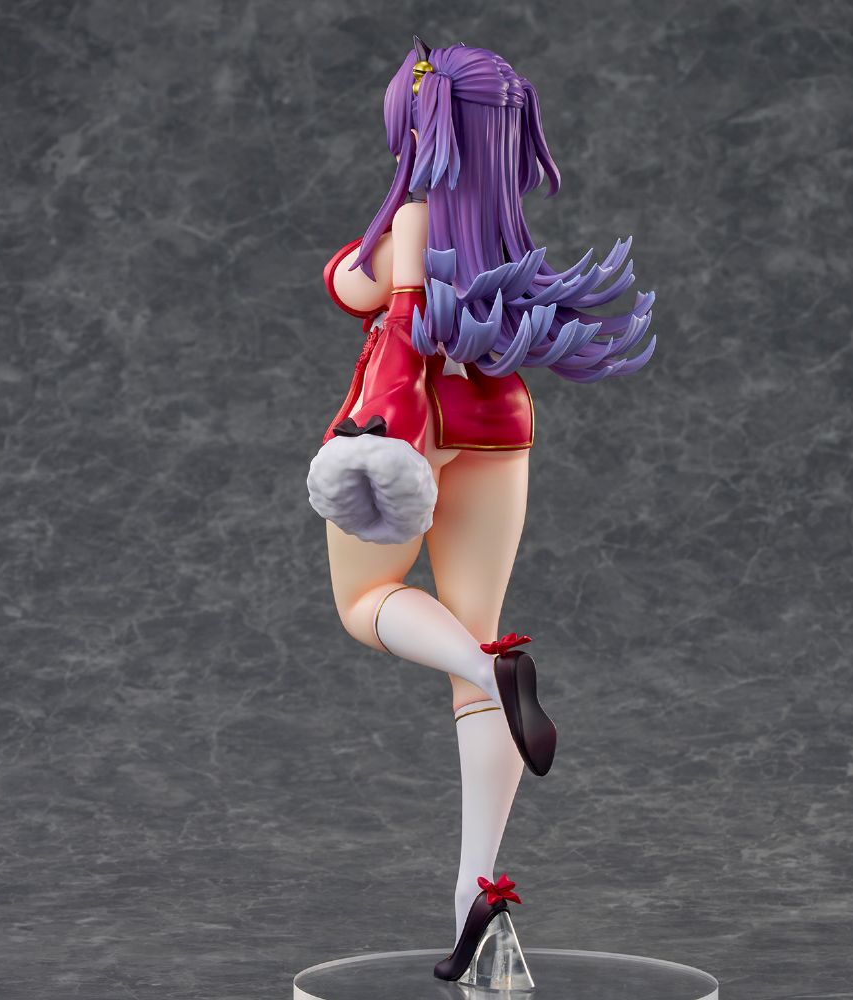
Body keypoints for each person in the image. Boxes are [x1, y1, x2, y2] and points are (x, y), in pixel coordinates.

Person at [306, 37, 657, 981]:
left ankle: (485, 666)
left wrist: (376, 247)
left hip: (404, 430)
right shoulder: (506, 245)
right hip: (499, 426)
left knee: (367, 604)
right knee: (480, 634)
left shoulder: (411, 220)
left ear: (421, 125)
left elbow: (348, 285)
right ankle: (477, 891)